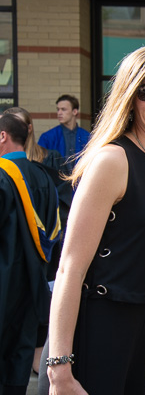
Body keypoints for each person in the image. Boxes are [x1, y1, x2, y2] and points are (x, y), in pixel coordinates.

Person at [42, 43, 145, 394]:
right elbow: (69, 268)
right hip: (95, 329)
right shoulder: (113, 161)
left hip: (140, 327)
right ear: (129, 97)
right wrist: (59, 369)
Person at [0, 114, 61, 395]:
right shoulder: (44, 176)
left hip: (5, 282)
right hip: (35, 284)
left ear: (3, 136)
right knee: (19, 363)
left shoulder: (3, 175)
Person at [37, 94, 90, 174]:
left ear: (74, 111)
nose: (59, 113)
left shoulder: (87, 137)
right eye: (58, 109)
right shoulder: (47, 137)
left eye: (63, 109)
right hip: (56, 183)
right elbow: (39, 164)